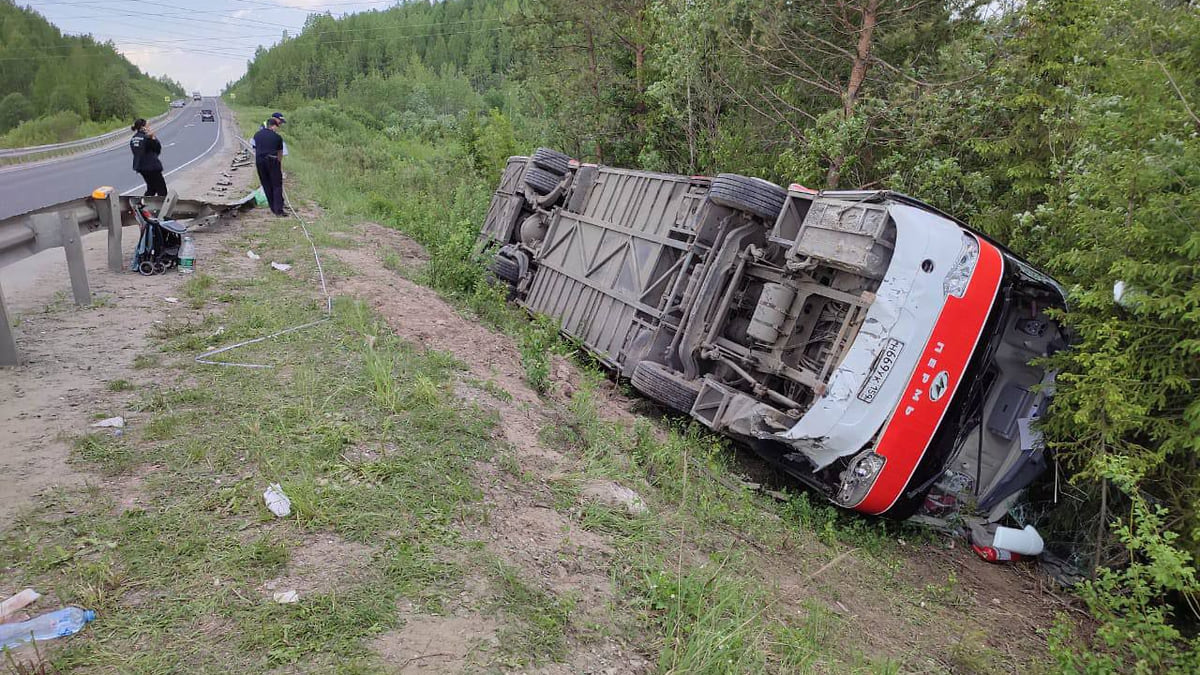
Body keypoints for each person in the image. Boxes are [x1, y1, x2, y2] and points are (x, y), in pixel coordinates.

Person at [252, 116, 286, 216]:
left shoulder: (257, 135)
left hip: (259, 161)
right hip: (272, 160)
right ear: (273, 126)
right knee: (276, 185)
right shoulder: (277, 137)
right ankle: (278, 210)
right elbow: (280, 152)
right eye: (276, 126)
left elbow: (254, 148)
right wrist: (279, 163)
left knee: (266, 184)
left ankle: (272, 208)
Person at [129, 118, 167, 196]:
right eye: (148, 126)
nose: (149, 127)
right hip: (152, 167)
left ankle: (142, 205)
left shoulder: (134, 139)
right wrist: (153, 137)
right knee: (162, 190)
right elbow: (157, 149)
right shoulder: (147, 138)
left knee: (151, 189)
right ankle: (162, 206)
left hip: (140, 166)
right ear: (143, 127)